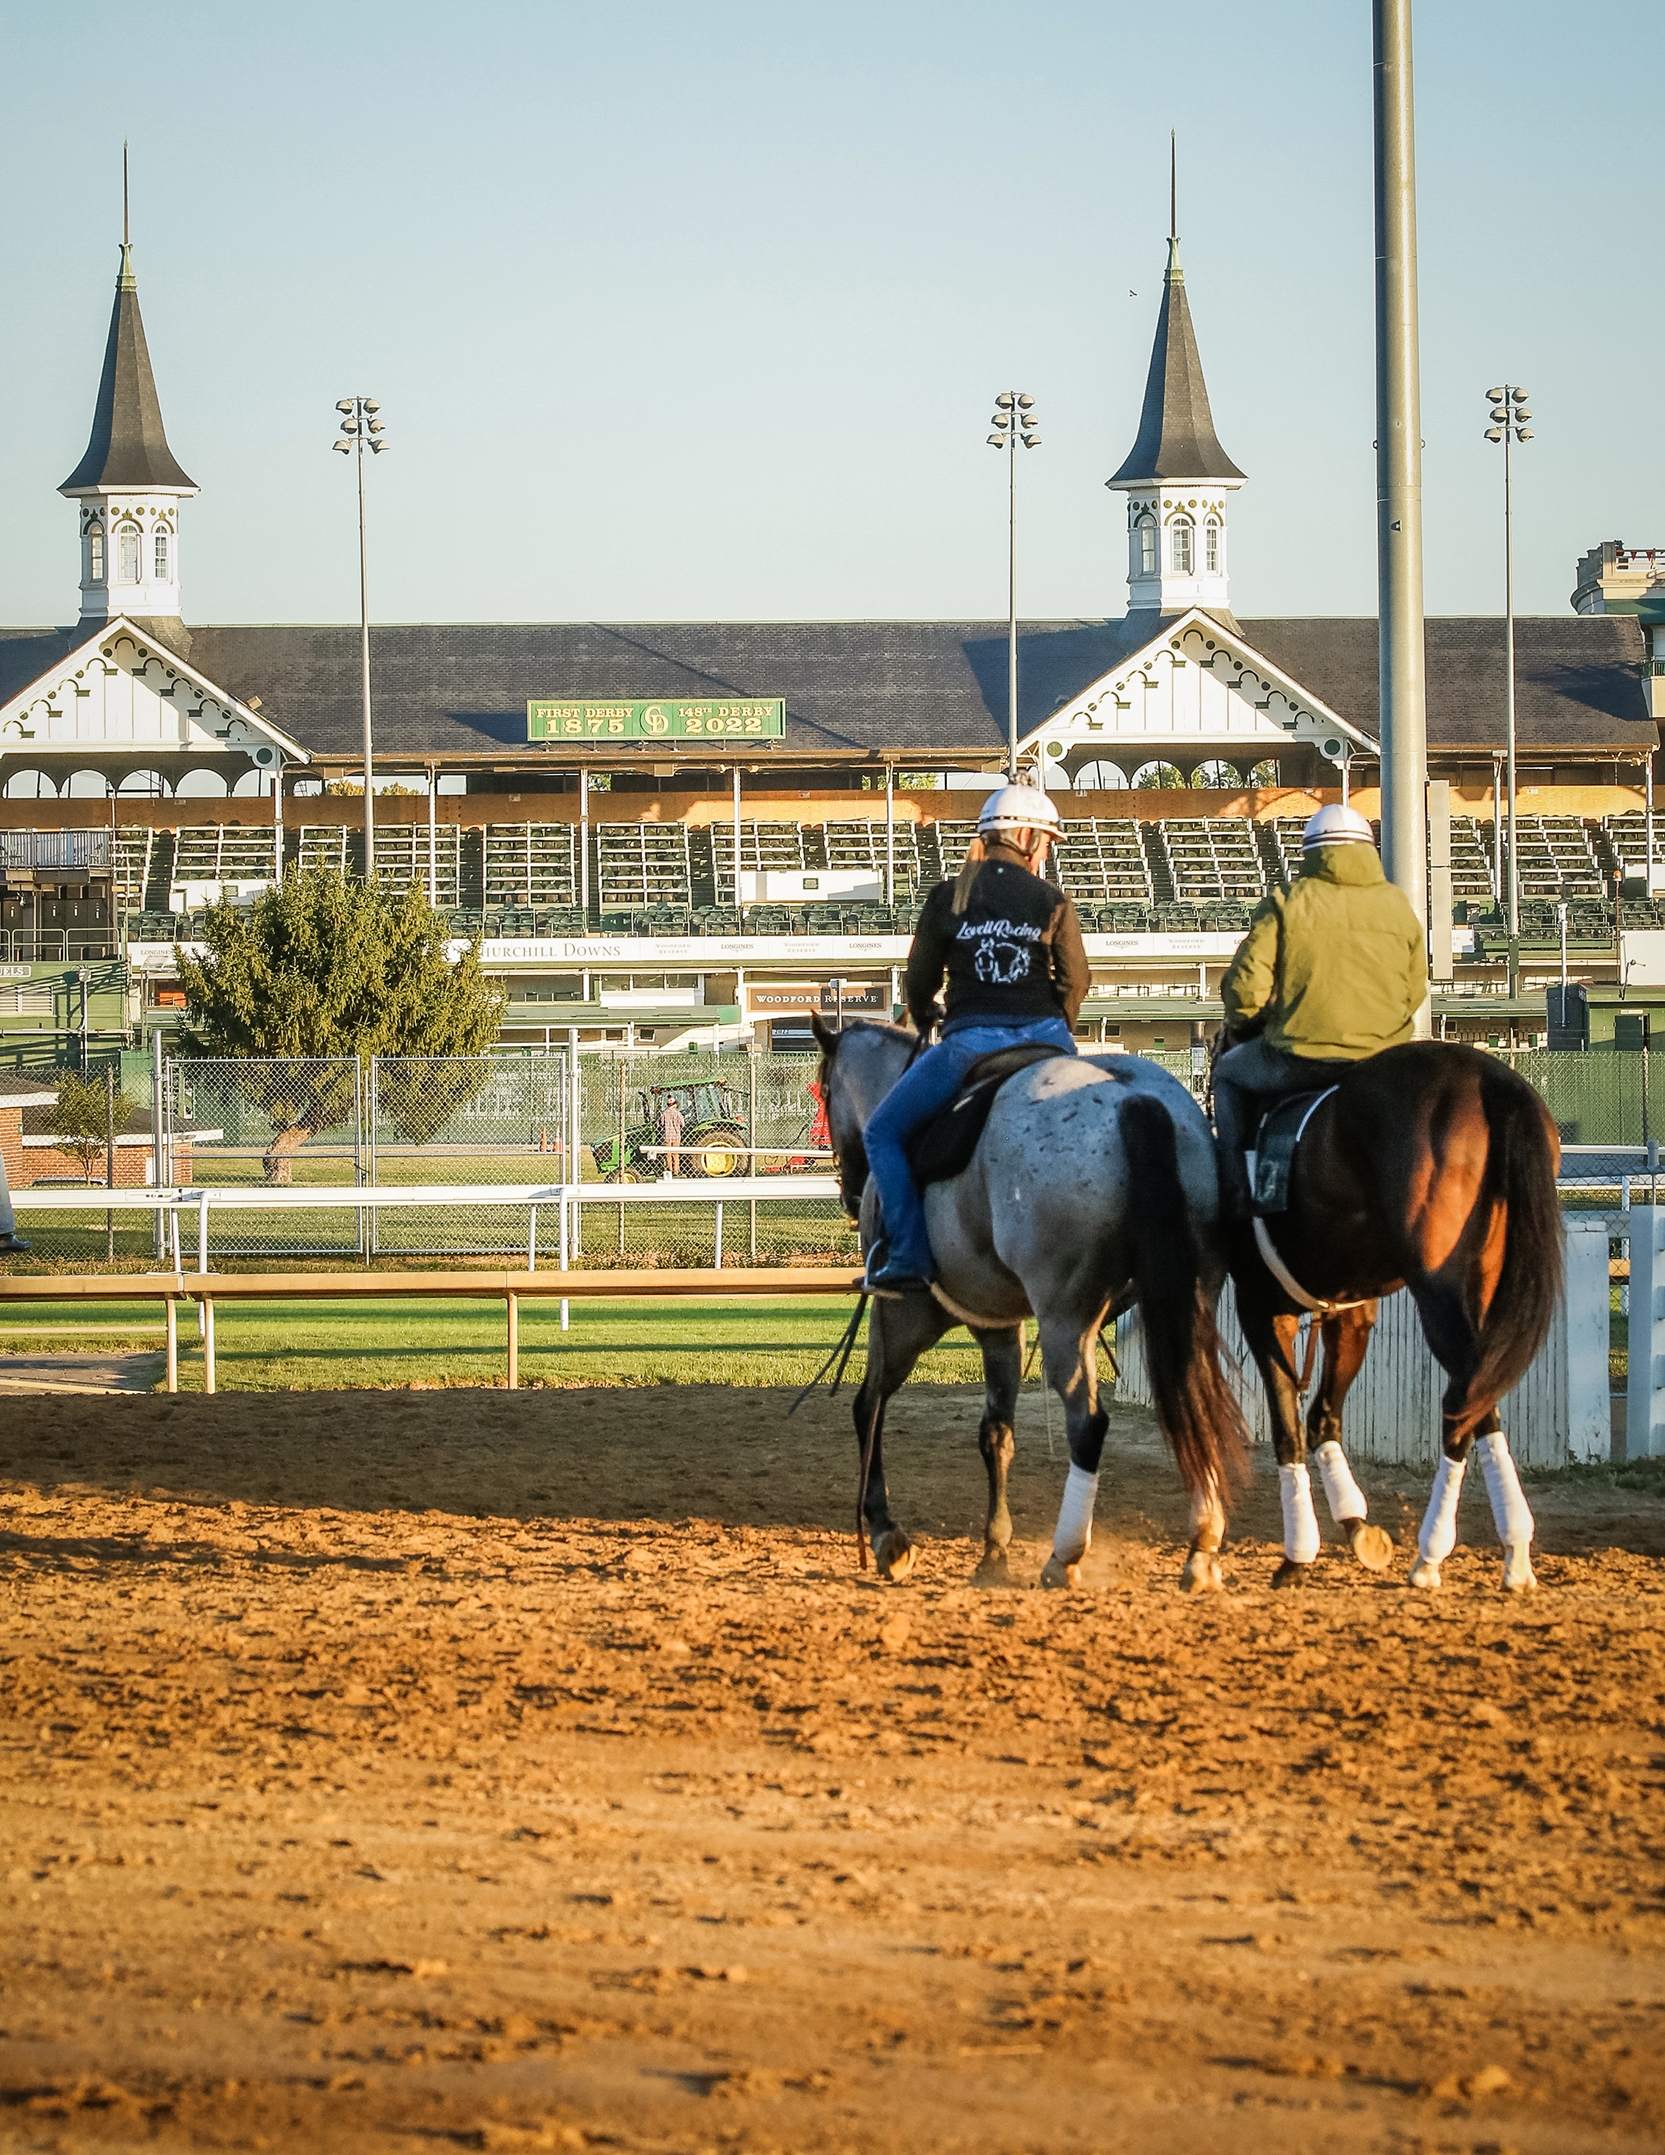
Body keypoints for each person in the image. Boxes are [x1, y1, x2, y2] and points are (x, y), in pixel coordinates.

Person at [861, 783, 1090, 1295]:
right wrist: (1055, 1031)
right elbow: (1076, 982)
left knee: (882, 1133)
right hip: (1048, 1041)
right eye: (1047, 841)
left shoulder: (950, 895)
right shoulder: (1052, 898)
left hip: (970, 1046)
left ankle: (909, 1258)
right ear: (1028, 836)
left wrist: (925, 1015)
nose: (1046, 851)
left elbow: (918, 981)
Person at [1212, 801, 1428, 1219]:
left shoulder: (1288, 901)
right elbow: (1415, 990)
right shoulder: (1397, 905)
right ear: (1369, 852)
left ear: (1311, 852)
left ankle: (1236, 1190)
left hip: (1301, 1058)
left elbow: (1245, 991)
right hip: (1381, 1061)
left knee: (1228, 1075)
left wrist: (1250, 1021)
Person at [660, 1095, 685, 1178]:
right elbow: (683, 1124)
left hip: (667, 1136)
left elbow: (661, 1124)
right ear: (675, 1105)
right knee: (675, 1154)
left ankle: (669, 1169)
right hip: (676, 1136)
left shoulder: (664, 1114)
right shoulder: (678, 1114)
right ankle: (676, 1170)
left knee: (668, 1154)